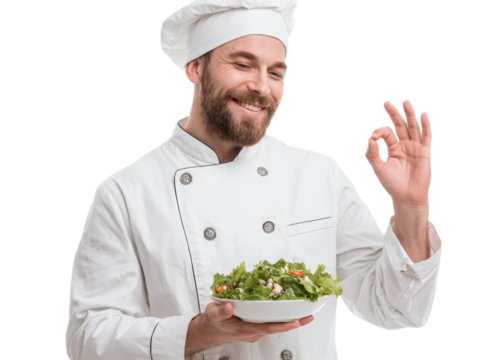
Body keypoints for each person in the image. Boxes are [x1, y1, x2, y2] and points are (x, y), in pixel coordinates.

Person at [65, 0, 443, 359]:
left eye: (276, 72)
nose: (262, 87)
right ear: (194, 67)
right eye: (243, 65)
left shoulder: (317, 173)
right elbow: (86, 340)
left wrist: (411, 206)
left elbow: (396, 310)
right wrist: (200, 333)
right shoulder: (126, 192)